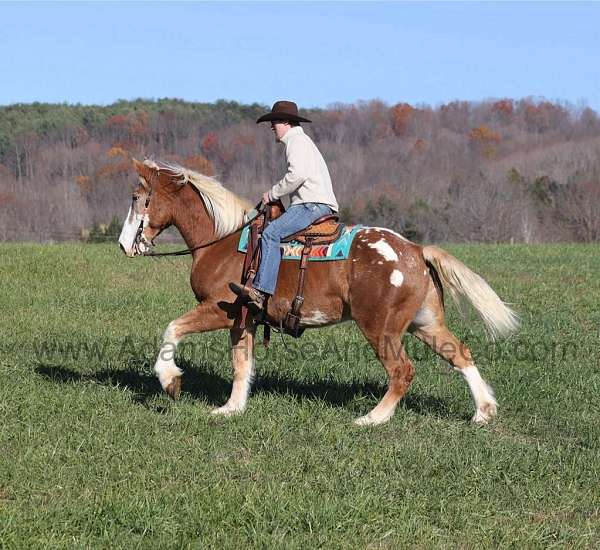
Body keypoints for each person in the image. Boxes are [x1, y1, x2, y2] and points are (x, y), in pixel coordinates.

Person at [230, 100, 339, 311]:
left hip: (311, 205)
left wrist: (272, 193)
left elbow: (297, 175)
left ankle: (260, 292)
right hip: (315, 203)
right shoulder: (302, 141)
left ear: (287, 123)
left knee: (271, 233)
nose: (272, 127)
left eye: (275, 122)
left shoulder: (296, 142)